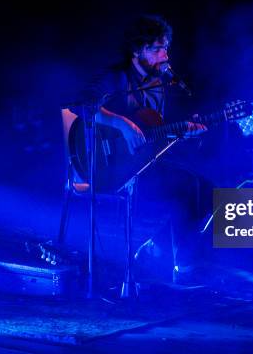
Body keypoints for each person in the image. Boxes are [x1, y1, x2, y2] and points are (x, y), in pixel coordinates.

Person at [80, 15, 213, 284]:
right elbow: (84, 108)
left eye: (165, 48)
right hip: (108, 165)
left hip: (145, 163)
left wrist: (184, 133)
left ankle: (157, 248)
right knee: (187, 187)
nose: (164, 55)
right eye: (156, 49)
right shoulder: (115, 78)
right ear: (137, 50)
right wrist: (123, 124)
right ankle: (181, 267)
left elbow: (156, 134)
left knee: (209, 189)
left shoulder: (159, 87)